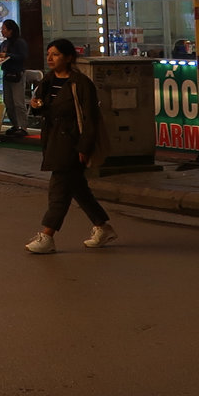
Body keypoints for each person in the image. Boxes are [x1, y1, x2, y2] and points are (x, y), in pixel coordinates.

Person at [24, 38, 117, 254]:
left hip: (72, 143)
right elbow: (42, 107)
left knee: (59, 189)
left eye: (56, 54)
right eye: (49, 54)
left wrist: (84, 147)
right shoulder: (48, 80)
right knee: (77, 188)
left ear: (68, 58)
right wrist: (36, 106)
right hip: (53, 140)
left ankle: (47, 236)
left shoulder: (80, 84)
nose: (50, 58)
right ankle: (102, 227)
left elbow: (91, 118)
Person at [0, 19, 29, 140]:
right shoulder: (5, 43)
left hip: (17, 74)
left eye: (4, 29)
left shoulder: (20, 42)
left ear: (11, 30)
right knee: (8, 102)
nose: (2, 31)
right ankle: (15, 125)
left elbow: (23, 56)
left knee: (18, 102)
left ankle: (23, 127)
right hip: (7, 74)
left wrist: (8, 55)